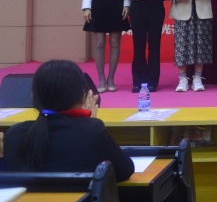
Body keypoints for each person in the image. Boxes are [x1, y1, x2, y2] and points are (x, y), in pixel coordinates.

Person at [3, 60, 135, 182]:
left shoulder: (14, 134)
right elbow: (125, 170)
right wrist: (87, 123)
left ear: (33, 97)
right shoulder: (92, 131)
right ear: (82, 97)